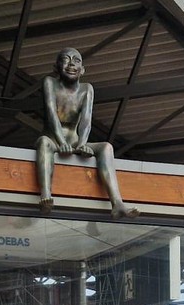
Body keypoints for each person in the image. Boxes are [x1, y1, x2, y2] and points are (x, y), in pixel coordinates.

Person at [36, 47, 139, 219]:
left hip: (75, 141)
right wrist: (61, 143)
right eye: (66, 59)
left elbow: (86, 120)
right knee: (43, 142)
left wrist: (82, 143)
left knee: (106, 147)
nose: (71, 64)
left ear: (83, 70)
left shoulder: (86, 89)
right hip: (55, 140)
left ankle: (117, 203)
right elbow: (51, 113)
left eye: (76, 61)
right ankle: (46, 193)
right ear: (56, 68)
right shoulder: (49, 82)